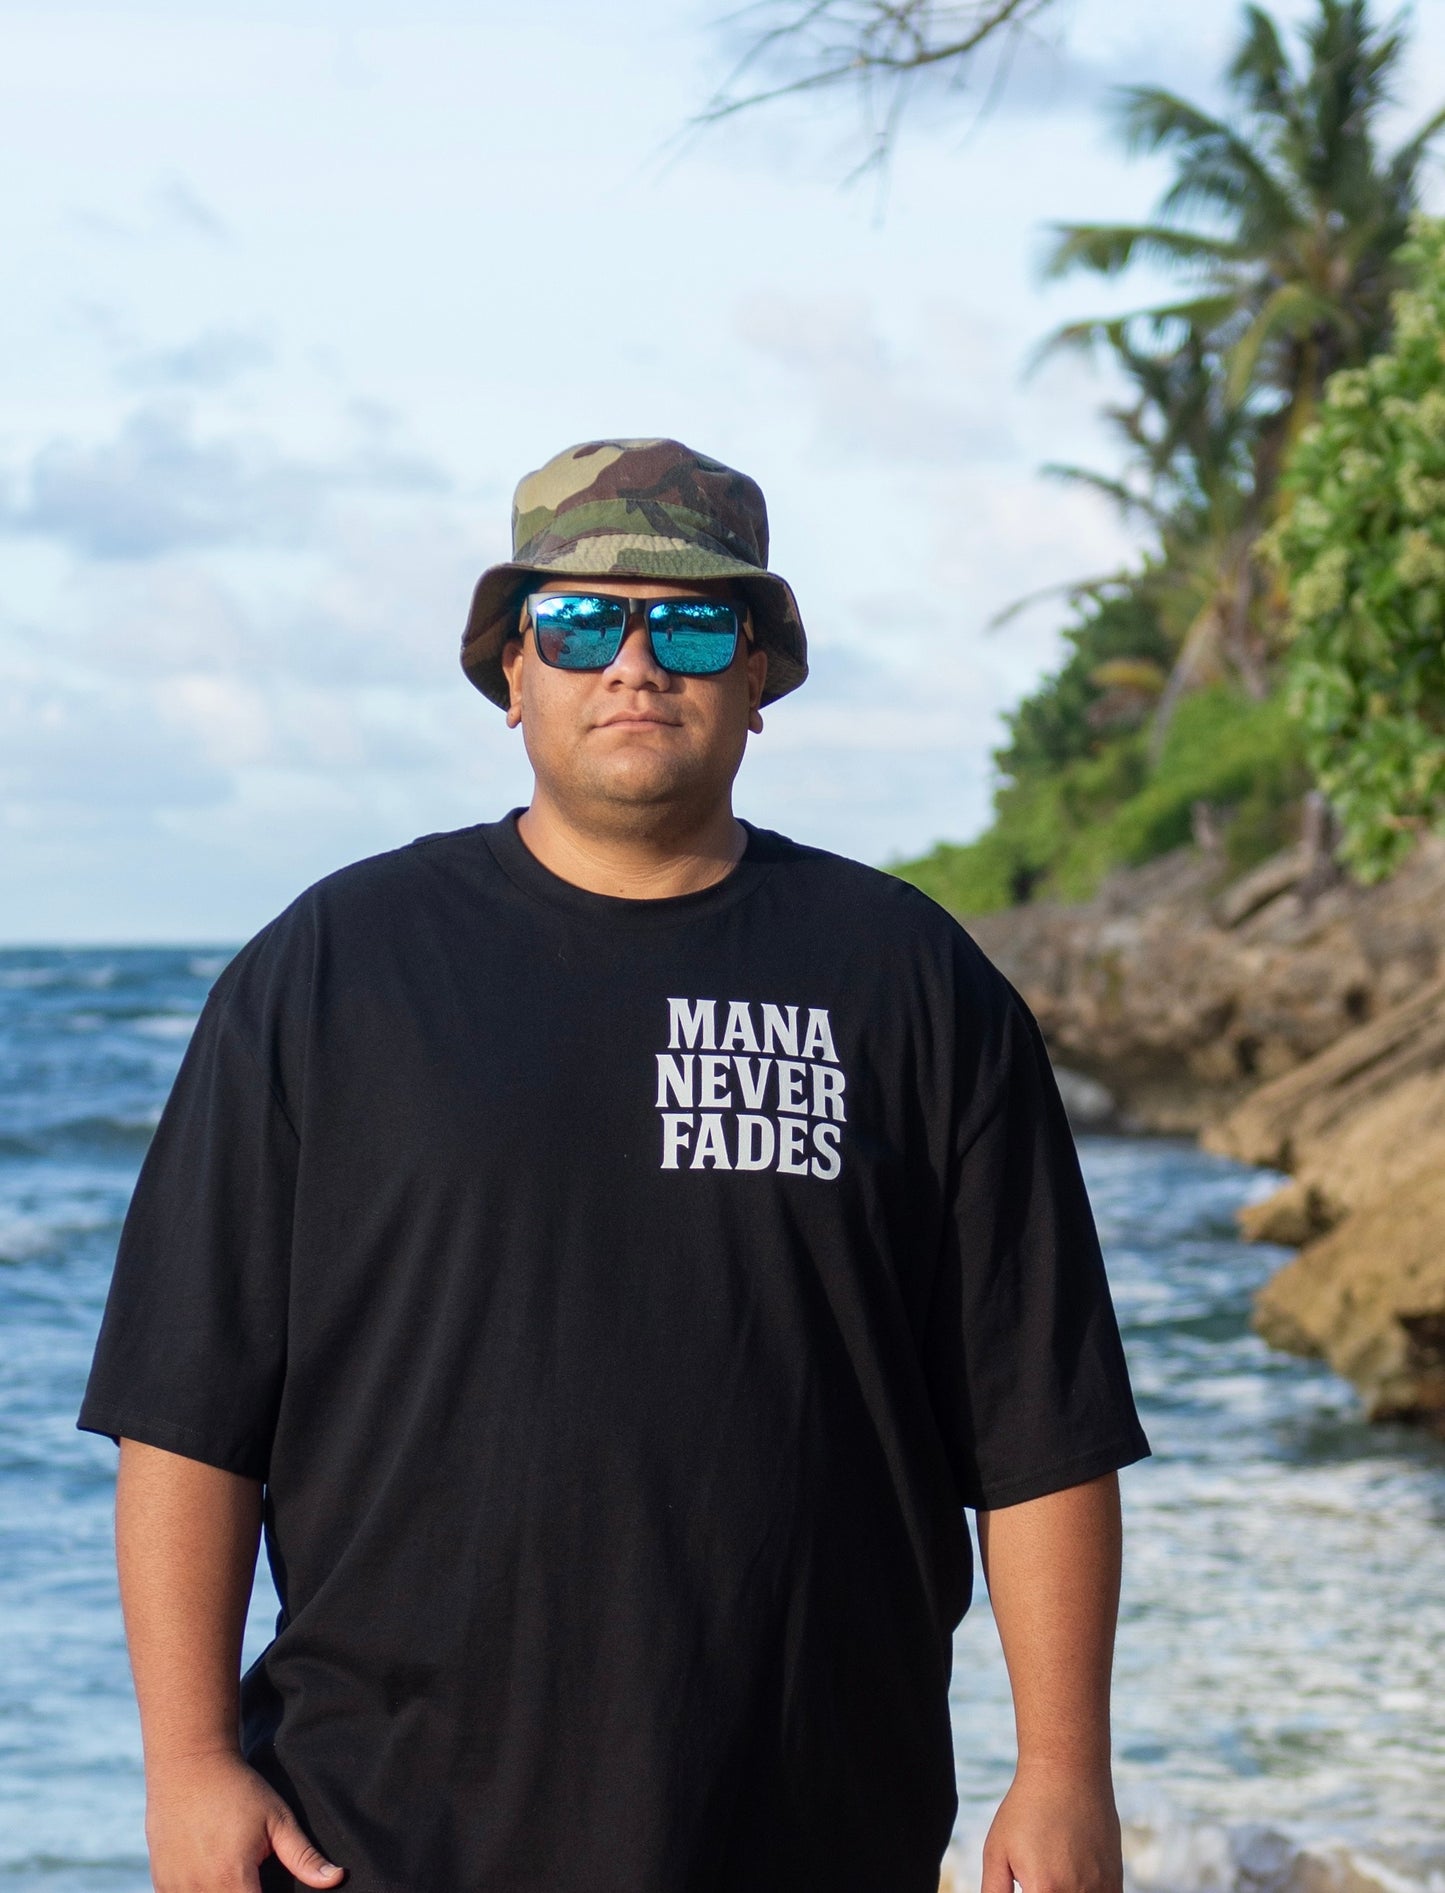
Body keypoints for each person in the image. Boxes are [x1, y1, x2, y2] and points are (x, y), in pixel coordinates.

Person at [79, 437, 1149, 1893]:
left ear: (759, 675)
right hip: (376, 1835)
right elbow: (187, 1408)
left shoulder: (909, 982)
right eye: (582, 623)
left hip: (812, 1827)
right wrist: (191, 1763)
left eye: (691, 625)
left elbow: (1041, 1422)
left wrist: (1064, 1771)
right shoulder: (331, 971)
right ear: (512, 669)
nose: (635, 665)